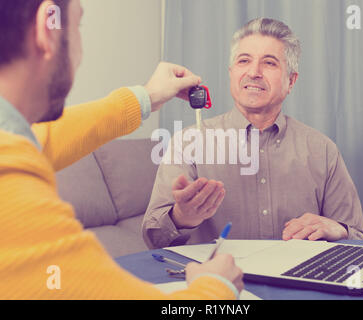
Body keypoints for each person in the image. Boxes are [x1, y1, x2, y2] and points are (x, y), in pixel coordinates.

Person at [0, 0, 243, 299]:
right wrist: (217, 287)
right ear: (46, 29)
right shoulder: (14, 198)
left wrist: (147, 97)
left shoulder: (12, 143)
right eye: (79, 26)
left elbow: (41, 139)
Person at [142, 18, 363, 249]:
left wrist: (338, 230)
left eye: (269, 63)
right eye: (244, 61)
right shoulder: (188, 143)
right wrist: (182, 217)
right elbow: (153, 240)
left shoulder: (323, 150)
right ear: (231, 73)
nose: (254, 72)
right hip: (216, 281)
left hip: (297, 282)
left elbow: (361, 240)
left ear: (291, 81)